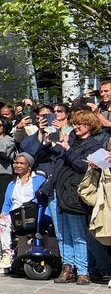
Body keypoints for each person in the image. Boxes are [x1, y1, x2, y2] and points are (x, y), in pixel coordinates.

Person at [46, 109, 104, 285]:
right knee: (62, 234)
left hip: (75, 193)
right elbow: (58, 162)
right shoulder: (69, 139)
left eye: (81, 124)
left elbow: (82, 167)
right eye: (75, 123)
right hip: (57, 190)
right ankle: (67, 267)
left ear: (90, 126)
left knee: (78, 234)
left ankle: (83, 271)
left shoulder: (95, 146)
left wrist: (68, 149)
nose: (76, 127)